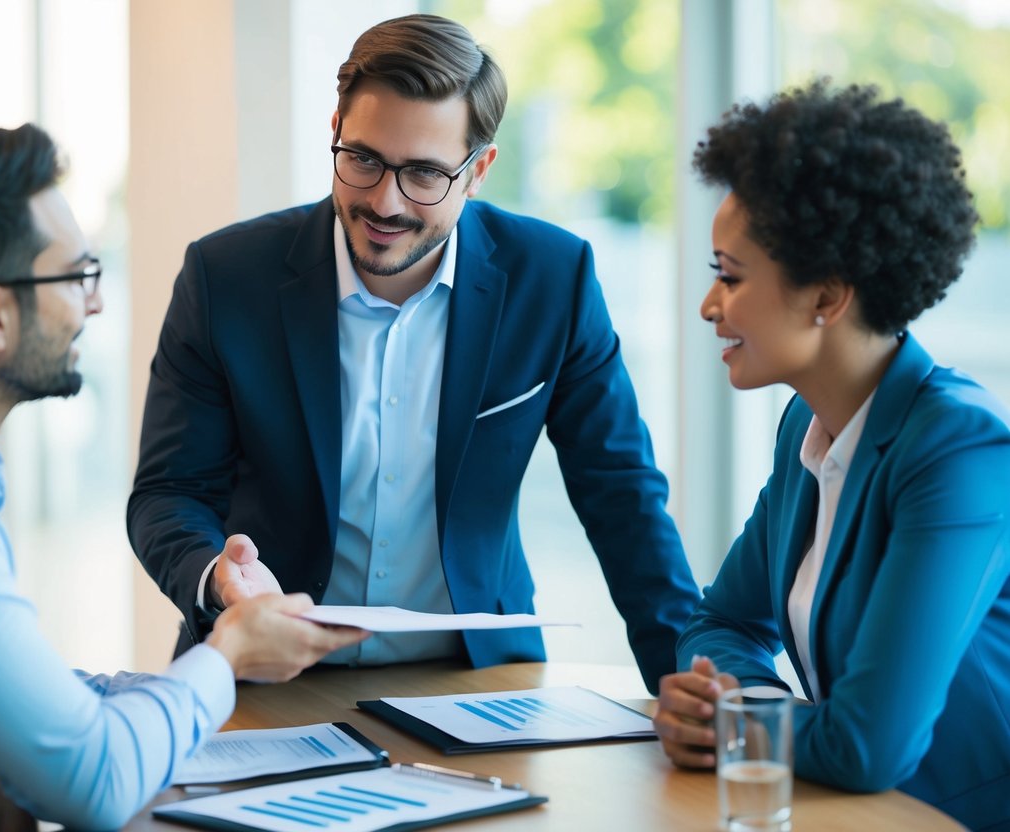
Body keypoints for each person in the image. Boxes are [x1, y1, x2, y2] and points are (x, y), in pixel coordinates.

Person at [0, 123, 367, 831]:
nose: (94, 304)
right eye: (76, 277)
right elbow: (92, 785)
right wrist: (228, 656)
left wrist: (132, 698)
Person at [128, 12, 699, 694]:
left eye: (425, 174)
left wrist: (690, 688)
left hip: (477, 680)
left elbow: (623, 496)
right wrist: (219, 579)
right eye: (363, 158)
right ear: (335, 126)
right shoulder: (226, 278)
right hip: (268, 677)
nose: (384, 201)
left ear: (478, 169)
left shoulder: (553, 279)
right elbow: (169, 492)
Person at [652, 81, 1010, 830]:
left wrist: (728, 725)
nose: (708, 306)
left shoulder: (958, 450)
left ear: (825, 297)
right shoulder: (806, 428)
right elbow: (719, 621)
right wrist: (736, 702)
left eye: (729, 274)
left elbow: (868, 745)